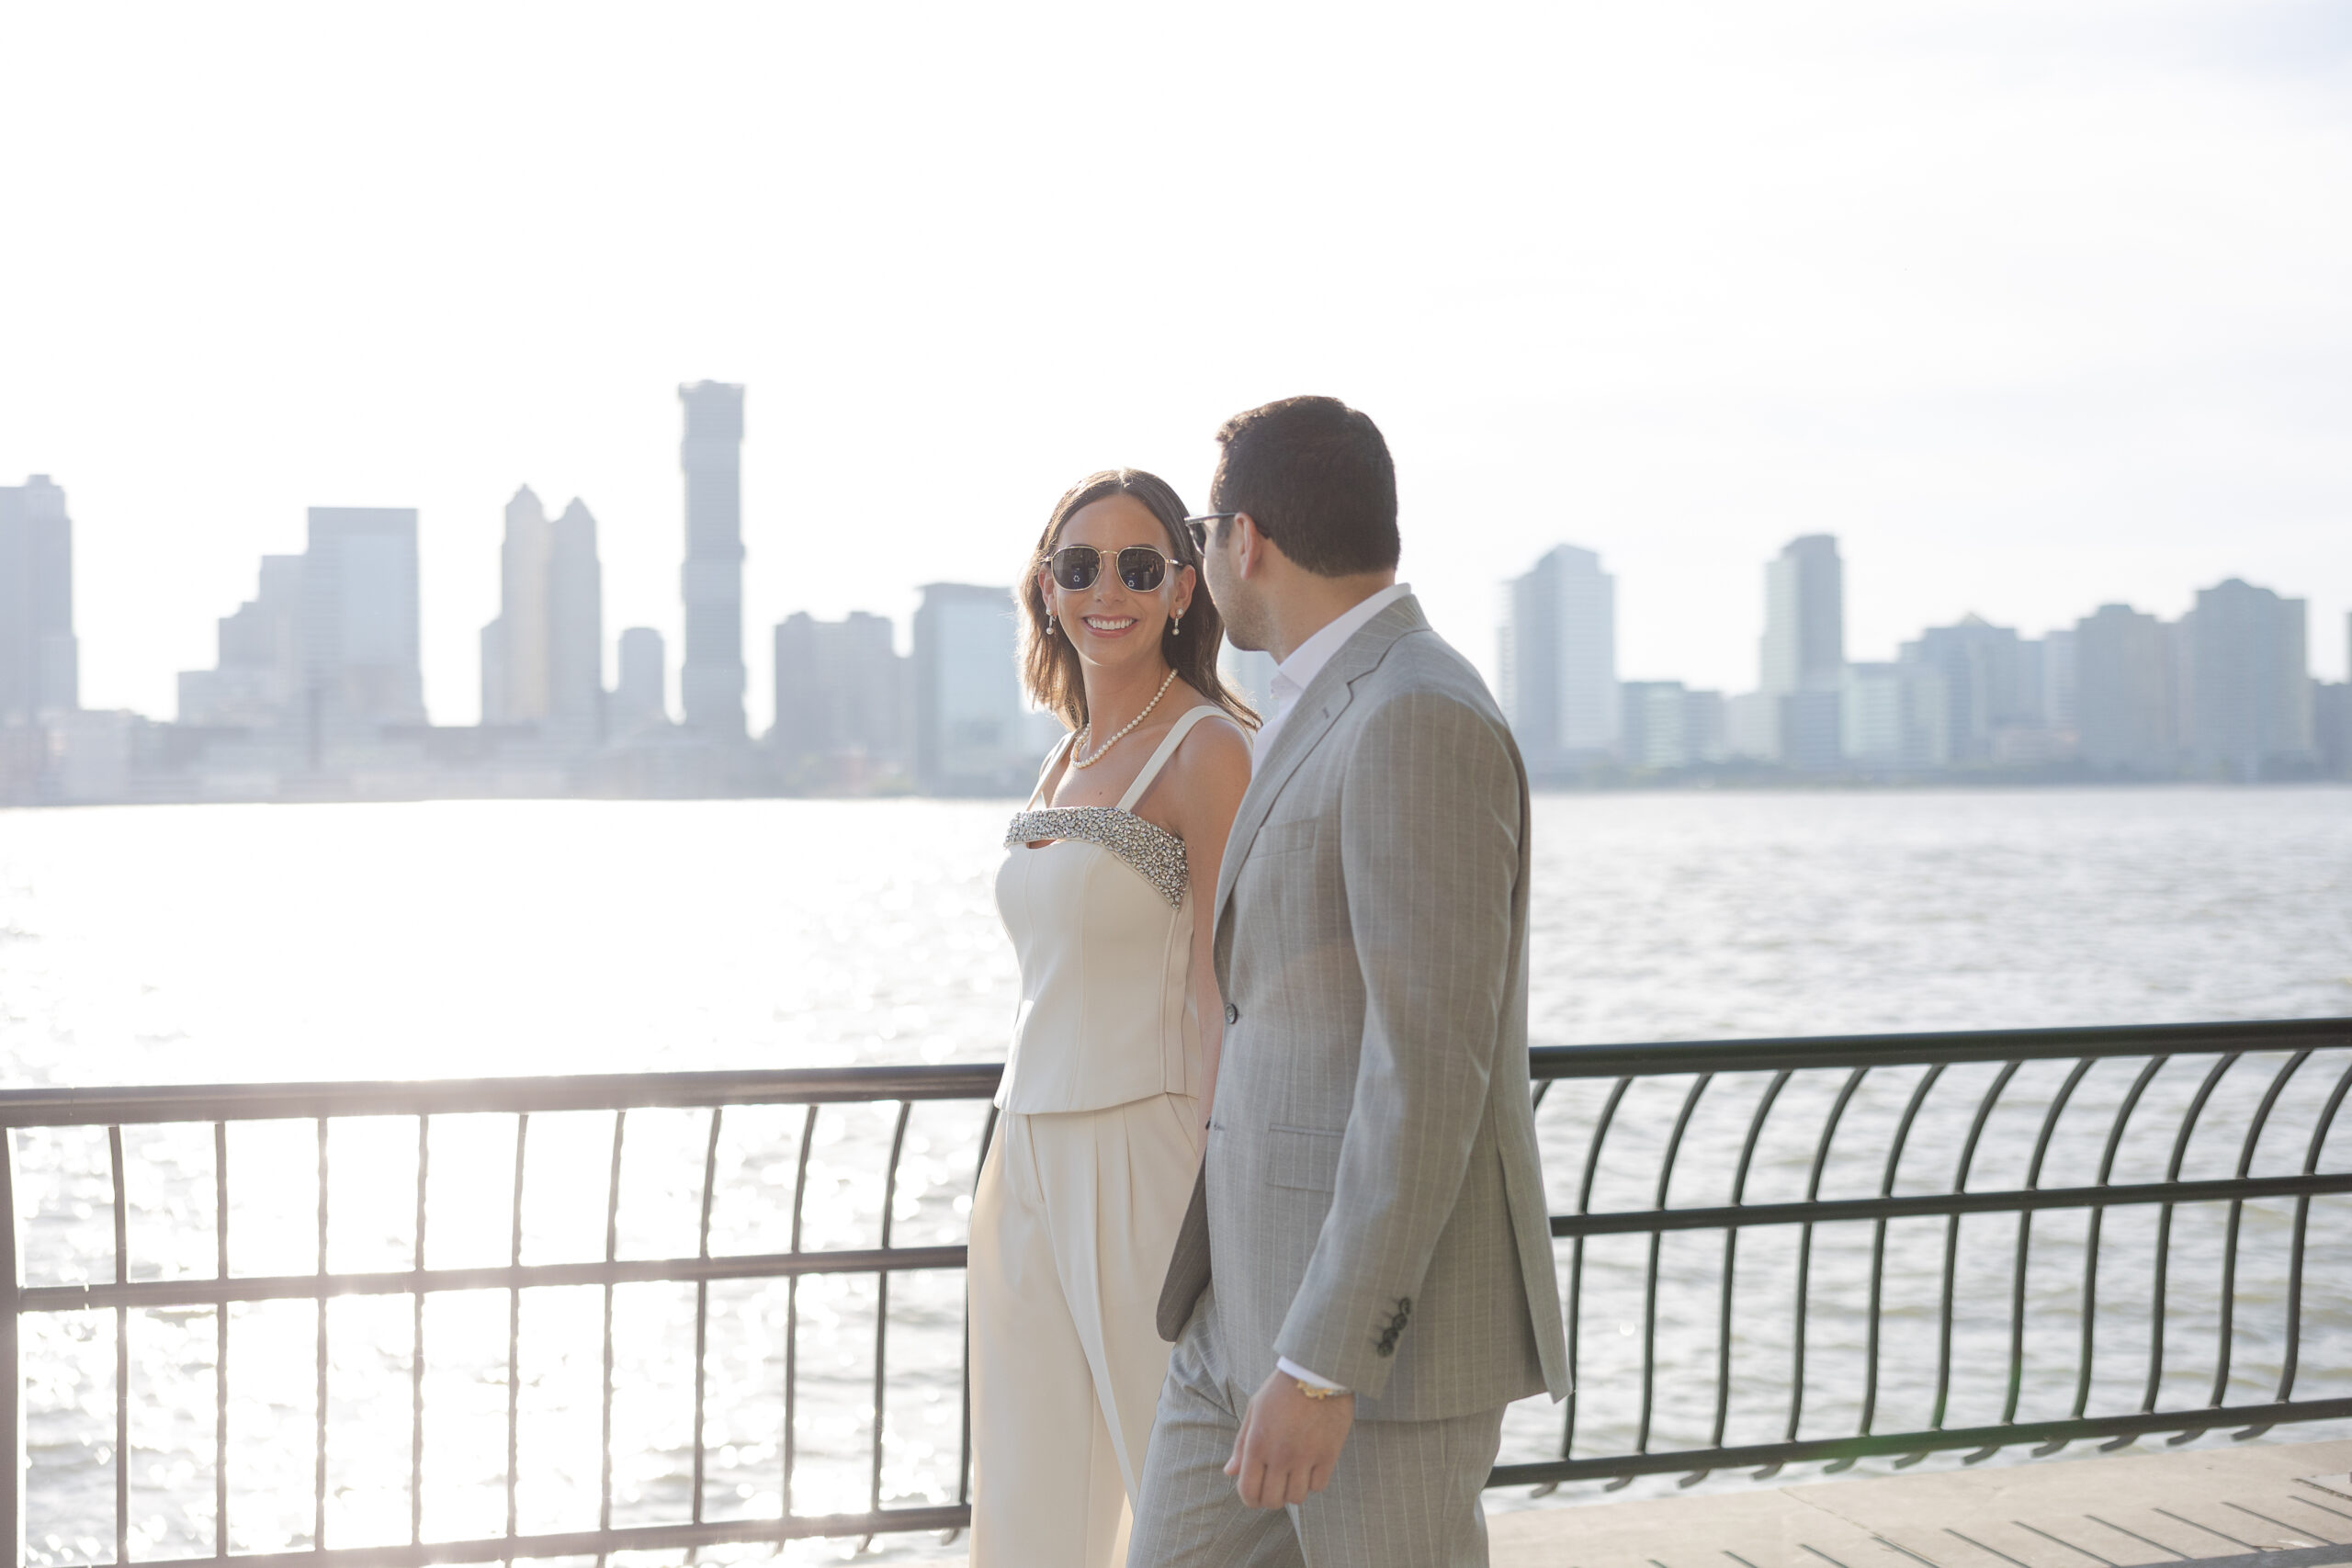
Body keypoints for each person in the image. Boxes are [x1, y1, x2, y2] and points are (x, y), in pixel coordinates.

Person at [1130, 397, 1571, 1567]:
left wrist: (1324, 1363)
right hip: (1235, 1317)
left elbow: (1426, 1070)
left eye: (1200, 526)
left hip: (1369, 1360)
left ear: (1249, 539)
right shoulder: (1310, 700)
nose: (1198, 552)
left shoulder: (1413, 712)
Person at [967, 468, 1256, 1568]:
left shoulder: (1208, 750)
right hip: (1023, 1149)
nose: (1109, 591)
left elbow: (1229, 988)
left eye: (1141, 568)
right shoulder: (1062, 760)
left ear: (1184, 589)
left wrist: (1229, 1200)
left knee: (1172, 1480)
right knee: (1032, 1484)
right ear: (1045, 588)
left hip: (1145, 1149)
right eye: (1080, 567)